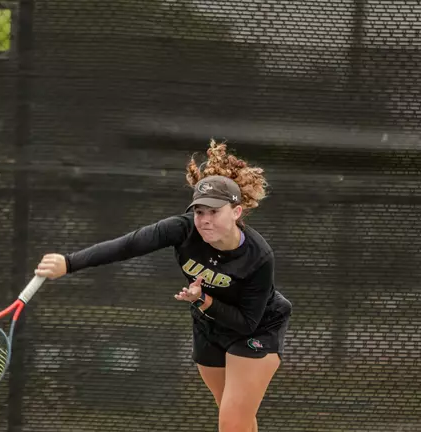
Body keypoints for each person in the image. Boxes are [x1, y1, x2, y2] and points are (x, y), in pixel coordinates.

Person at [34, 140, 292, 432]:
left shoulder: (259, 256)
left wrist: (203, 300)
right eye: (199, 212)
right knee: (236, 417)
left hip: (256, 328)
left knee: (232, 421)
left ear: (236, 212)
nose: (204, 221)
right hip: (209, 325)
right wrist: (69, 263)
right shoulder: (181, 229)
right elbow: (130, 245)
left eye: (214, 212)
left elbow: (247, 322)